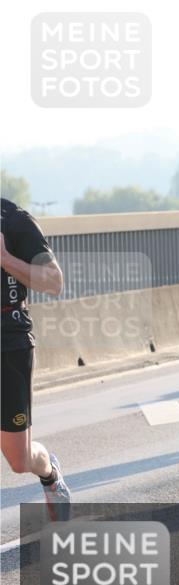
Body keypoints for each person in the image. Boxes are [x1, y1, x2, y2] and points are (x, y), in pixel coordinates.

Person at [1, 198, 71, 521]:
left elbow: (53, 282)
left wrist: (4, 259)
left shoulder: (15, 221)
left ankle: (50, 475)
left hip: (9, 344)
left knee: (19, 460)